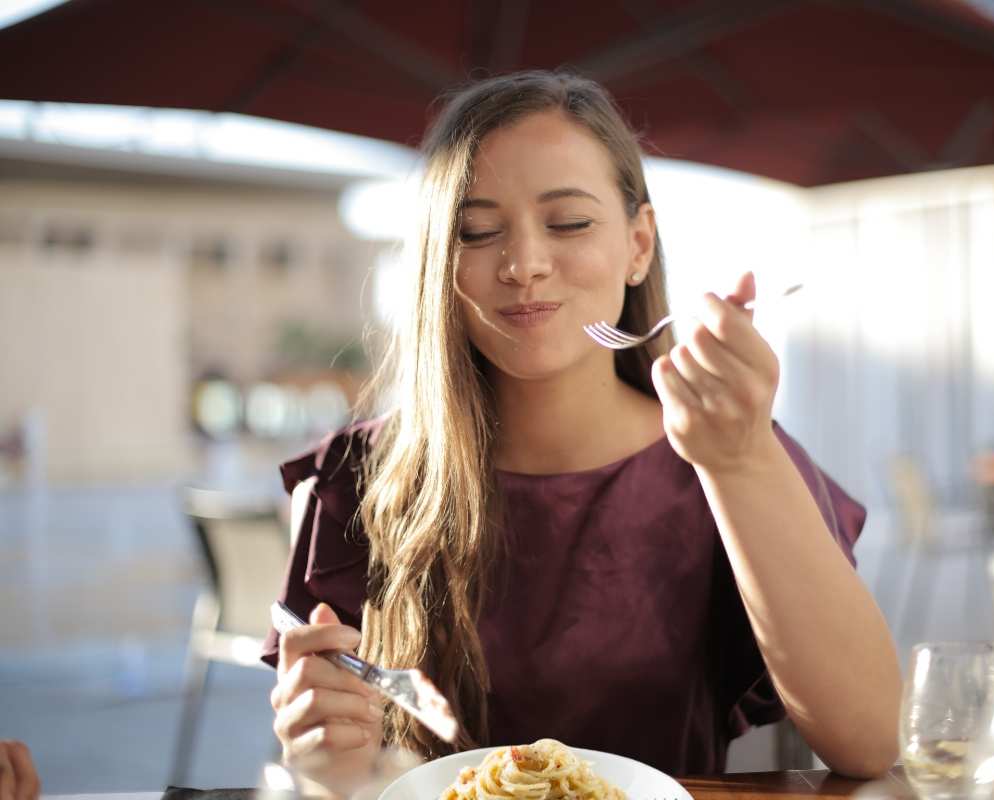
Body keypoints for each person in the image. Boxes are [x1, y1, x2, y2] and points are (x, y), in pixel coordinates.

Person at [262, 70, 900, 793]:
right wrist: (326, 757)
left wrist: (741, 461)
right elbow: (340, 767)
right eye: (476, 231)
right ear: (440, 263)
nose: (525, 264)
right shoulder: (356, 478)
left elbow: (871, 739)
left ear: (638, 244)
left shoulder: (726, 453)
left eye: (568, 223)